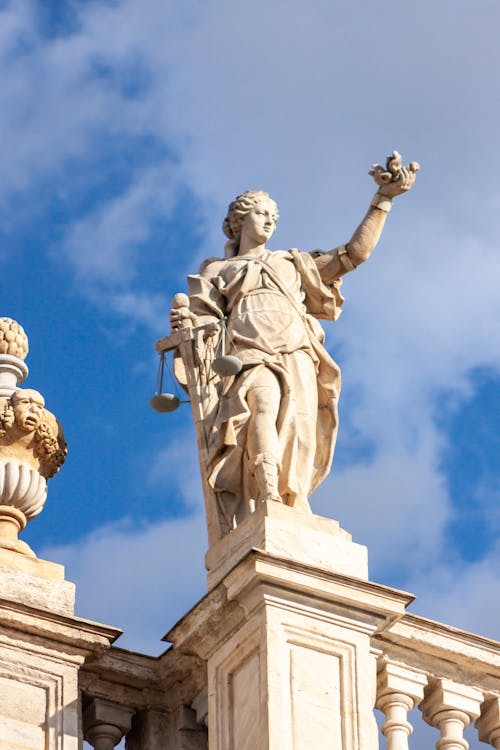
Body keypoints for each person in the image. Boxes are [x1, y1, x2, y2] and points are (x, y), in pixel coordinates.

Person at [171, 158, 416, 532]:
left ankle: (292, 497)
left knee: (299, 428)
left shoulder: (293, 262)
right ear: (240, 221)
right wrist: (187, 324)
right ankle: (267, 492)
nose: (269, 221)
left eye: (274, 215)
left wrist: (383, 200)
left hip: (297, 350)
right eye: (261, 213)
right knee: (261, 406)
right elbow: (203, 322)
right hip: (247, 352)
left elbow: (355, 254)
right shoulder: (218, 271)